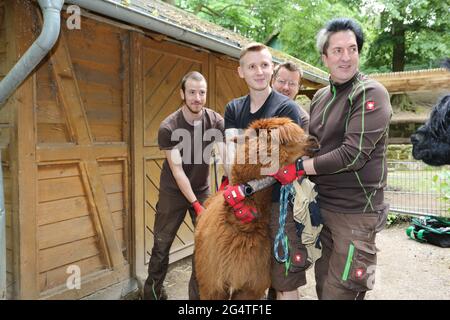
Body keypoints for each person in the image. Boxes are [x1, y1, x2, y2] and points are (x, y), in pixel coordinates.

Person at [271, 18, 392, 300]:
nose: (346, 57)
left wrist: (299, 168)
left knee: (345, 289)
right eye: (337, 50)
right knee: (324, 285)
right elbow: (314, 145)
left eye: (352, 49)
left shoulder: (371, 93)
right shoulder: (321, 97)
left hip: (357, 211)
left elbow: (354, 154)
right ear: (325, 57)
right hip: (322, 206)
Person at [223, 43, 309, 300]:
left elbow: (277, 165)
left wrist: (245, 185)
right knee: (243, 275)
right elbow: (229, 153)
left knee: (284, 280)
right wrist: (236, 186)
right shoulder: (233, 109)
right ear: (241, 71)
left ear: (272, 68)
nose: (258, 71)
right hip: (241, 202)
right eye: (252, 66)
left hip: (277, 205)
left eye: (264, 65)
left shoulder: (287, 110)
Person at [143, 71, 224, 300]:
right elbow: (177, 171)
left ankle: (195, 300)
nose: (197, 98)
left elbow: (226, 156)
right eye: (191, 92)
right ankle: (152, 294)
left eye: (201, 92)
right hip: (173, 192)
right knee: (162, 245)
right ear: (182, 94)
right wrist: (196, 205)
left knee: (204, 246)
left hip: (202, 187)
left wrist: (231, 185)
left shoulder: (216, 121)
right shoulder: (168, 127)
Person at [272, 62, 310, 132]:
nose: (286, 87)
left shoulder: (303, 119)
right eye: (281, 81)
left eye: (292, 83)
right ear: (273, 81)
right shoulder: (255, 105)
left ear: (298, 88)